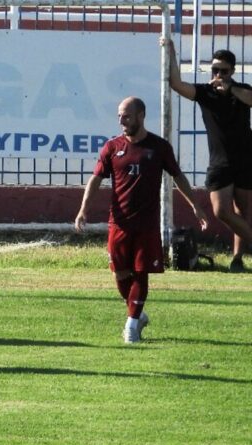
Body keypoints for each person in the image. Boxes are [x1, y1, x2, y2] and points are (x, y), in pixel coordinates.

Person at [74, 96, 209, 343]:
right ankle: (137, 313)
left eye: (126, 116)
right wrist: (83, 209)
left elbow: (178, 176)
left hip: (147, 224)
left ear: (141, 116)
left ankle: (132, 326)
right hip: (119, 223)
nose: (121, 121)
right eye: (119, 116)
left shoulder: (159, 147)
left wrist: (195, 206)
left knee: (140, 272)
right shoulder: (112, 147)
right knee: (120, 274)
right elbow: (95, 179)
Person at [163, 38, 252, 271]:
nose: (218, 75)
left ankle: (237, 259)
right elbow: (176, 84)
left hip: (245, 158)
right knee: (221, 211)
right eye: (215, 70)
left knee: (243, 212)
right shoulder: (205, 92)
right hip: (220, 161)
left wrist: (231, 89)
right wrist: (171, 53)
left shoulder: (242, 90)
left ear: (232, 71)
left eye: (224, 71)